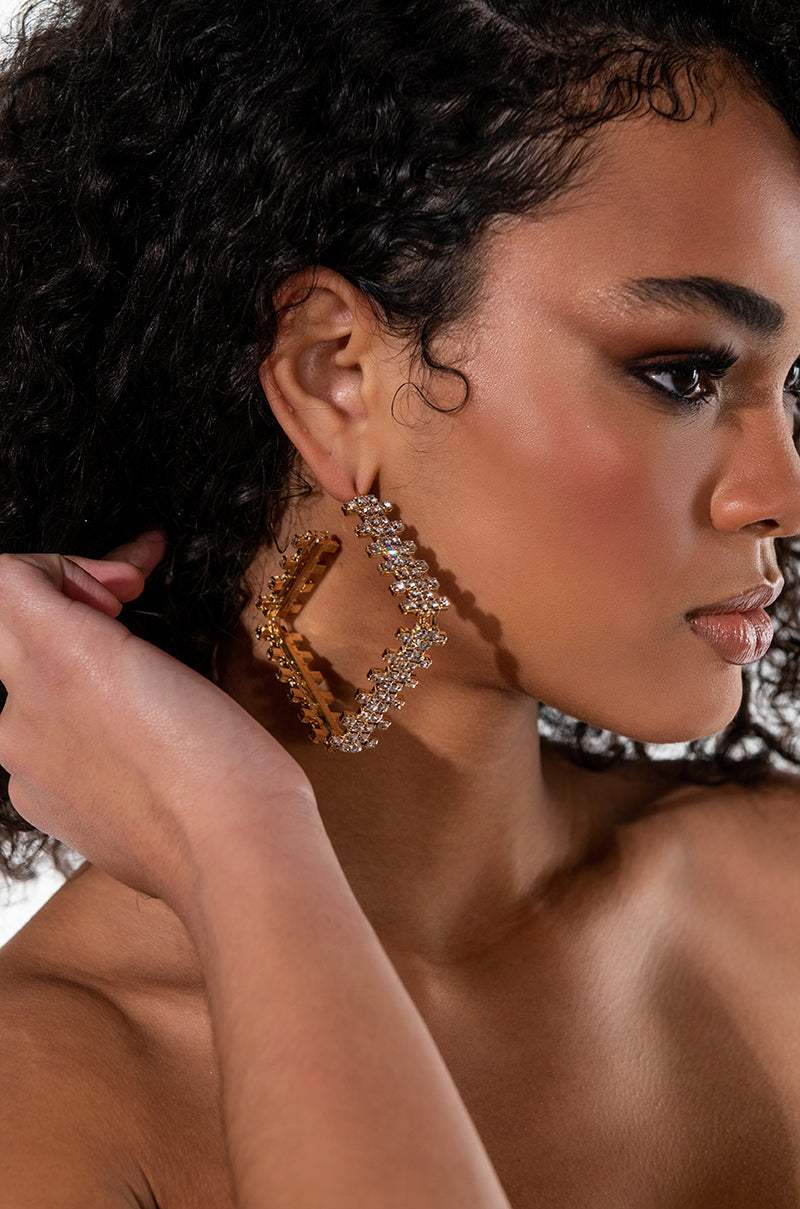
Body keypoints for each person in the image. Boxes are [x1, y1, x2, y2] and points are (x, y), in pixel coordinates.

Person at [1, 0, 800, 1204]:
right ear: (335, 376)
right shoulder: (46, 1095)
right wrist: (239, 832)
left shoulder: (775, 893)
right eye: (681, 372)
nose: (779, 492)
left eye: (795, 390)